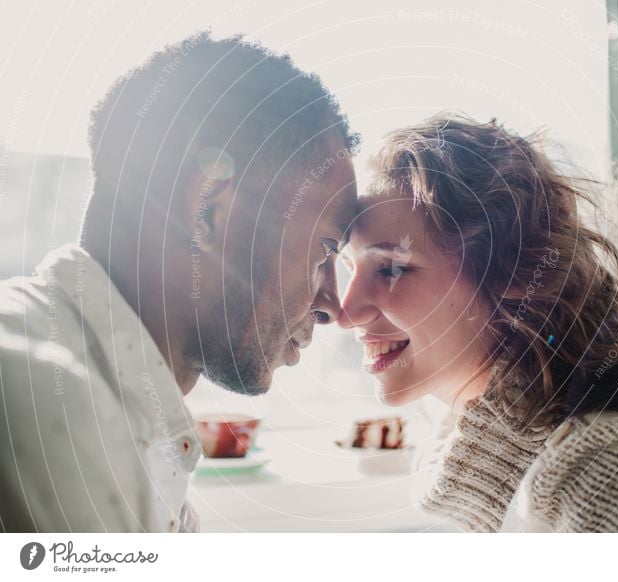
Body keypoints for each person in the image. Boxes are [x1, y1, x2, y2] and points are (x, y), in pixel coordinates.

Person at [337, 113, 618, 532]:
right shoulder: (505, 483)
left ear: (509, 280)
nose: (347, 310)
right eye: (347, 267)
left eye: (392, 268)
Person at [0, 32, 358, 532]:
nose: (334, 306)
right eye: (325, 251)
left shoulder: (132, 420)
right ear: (208, 211)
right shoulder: (51, 407)